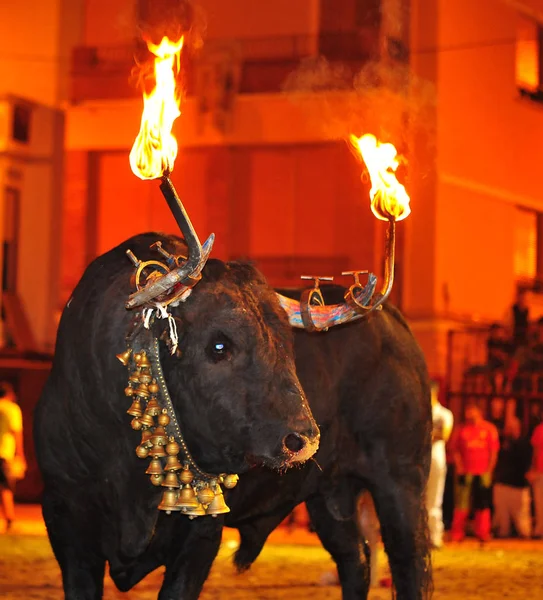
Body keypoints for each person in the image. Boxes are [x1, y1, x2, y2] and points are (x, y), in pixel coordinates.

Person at [449, 402, 500, 542]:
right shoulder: (462, 429)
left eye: (472, 411)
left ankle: (483, 533)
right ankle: (457, 533)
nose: (469, 414)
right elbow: (455, 450)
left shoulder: (489, 429)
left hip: (483, 472)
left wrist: (489, 470)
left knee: (482, 503)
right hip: (466, 472)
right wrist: (459, 466)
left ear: (479, 412)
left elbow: (493, 451)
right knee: (462, 503)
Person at [492, 419, 532, 538]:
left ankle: (526, 542)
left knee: (522, 519)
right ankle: (503, 537)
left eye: (511, 427)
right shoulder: (502, 443)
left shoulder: (525, 444)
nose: (508, 430)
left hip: (518, 487)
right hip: (502, 484)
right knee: (502, 518)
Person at [426, 380, 454, 548]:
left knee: (434, 499)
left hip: (435, 458)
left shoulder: (443, 414)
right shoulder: (416, 413)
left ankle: (434, 536)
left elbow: (443, 435)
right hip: (416, 461)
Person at [0, 382, 26, 532]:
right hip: (4, 452)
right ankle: (10, 518)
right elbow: (16, 431)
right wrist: (20, 453)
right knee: (6, 486)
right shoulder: (11, 409)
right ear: (9, 394)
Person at [528, 420, 543, 539]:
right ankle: (540, 529)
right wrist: (533, 468)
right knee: (540, 502)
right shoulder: (540, 429)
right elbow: (536, 451)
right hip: (540, 471)